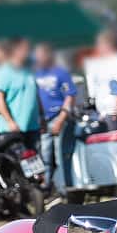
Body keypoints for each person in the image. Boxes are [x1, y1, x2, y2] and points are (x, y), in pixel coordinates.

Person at [31, 40, 77, 195]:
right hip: (43, 120)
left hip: (58, 117)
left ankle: (63, 188)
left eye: (41, 55)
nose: (39, 58)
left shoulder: (60, 73)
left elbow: (70, 95)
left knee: (60, 156)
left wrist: (61, 118)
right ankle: (46, 187)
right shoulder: (35, 74)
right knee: (45, 156)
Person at [81, 29, 117, 120]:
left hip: (115, 113)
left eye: (102, 44)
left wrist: (115, 110)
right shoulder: (98, 62)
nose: (100, 47)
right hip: (102, 112)